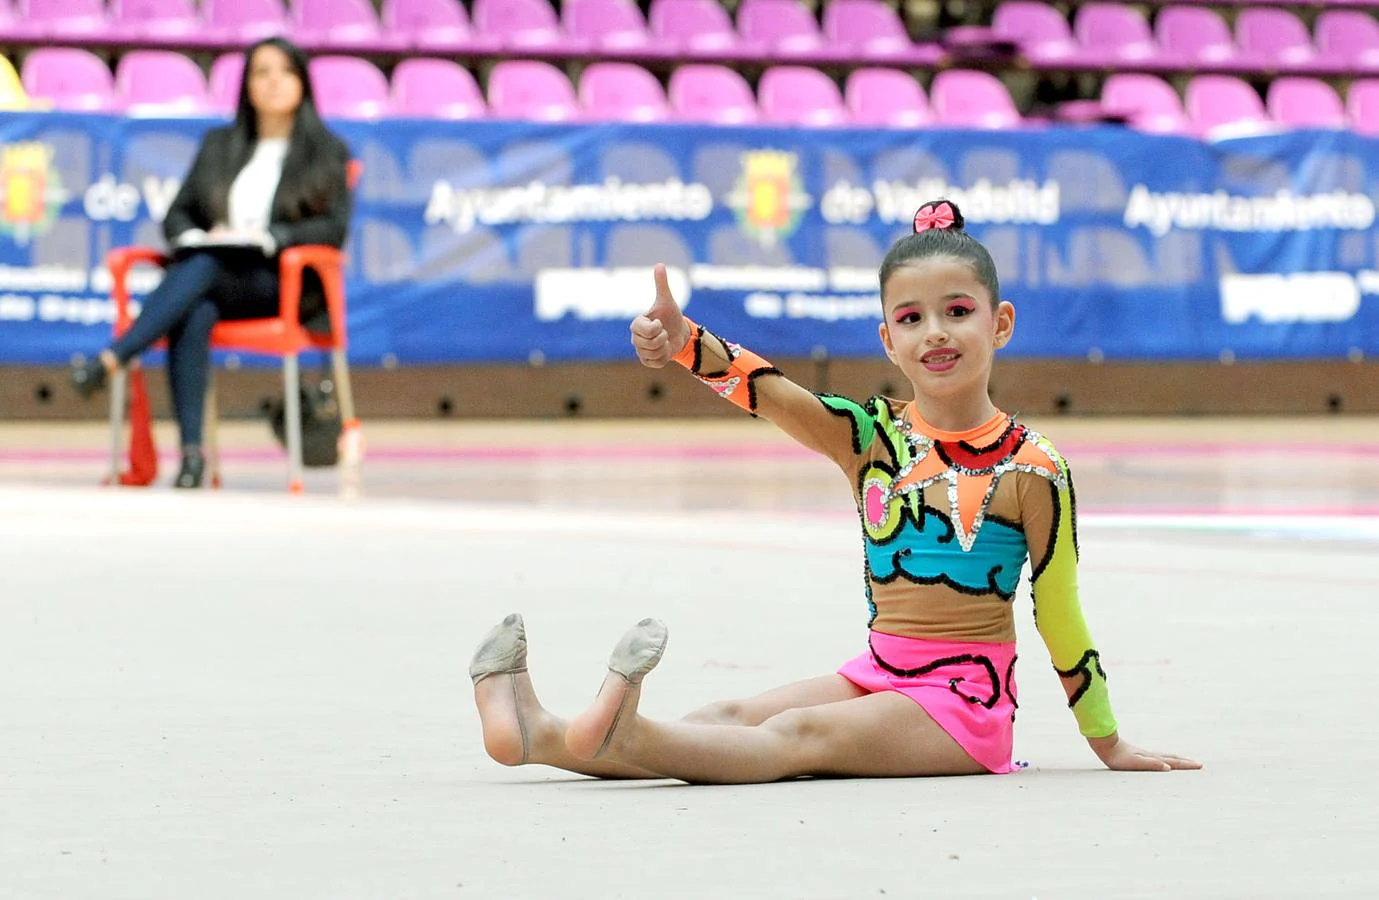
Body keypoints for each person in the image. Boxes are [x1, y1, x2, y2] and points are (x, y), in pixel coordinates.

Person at [470, 200, 1201, 784]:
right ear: (887, 339)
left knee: (796, 735)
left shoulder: (1033, 469)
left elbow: (1060, 614)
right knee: (732, 712)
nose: (934, 334)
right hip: (879, 674)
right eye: (910, 319)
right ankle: (539, 735)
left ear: (999, 323)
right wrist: (684, 338)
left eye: (957, 311)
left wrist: (1106, 740)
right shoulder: (870, 438)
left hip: (964, 708)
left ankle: (622, 733)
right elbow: (771, 394)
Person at [71, 37, 352, 489]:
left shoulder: (326, 151)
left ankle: (115, 356)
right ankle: (192, 457)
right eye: (262, 72)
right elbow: (178, 214)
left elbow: (332, 230)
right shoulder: (220, 146)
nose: (274, 81)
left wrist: (272, 237)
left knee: (202, 271)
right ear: (247, 86)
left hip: (282, 282)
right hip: (219, 278)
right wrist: (200, 236)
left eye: (285, 71)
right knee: (195, 304)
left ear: (302, 82)